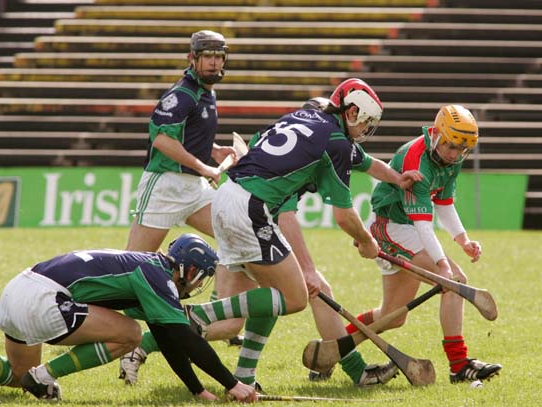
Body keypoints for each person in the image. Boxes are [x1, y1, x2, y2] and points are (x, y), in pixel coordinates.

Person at [188, 78, 423, 388]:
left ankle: (244, 373)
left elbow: (366, 163)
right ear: (350, 112)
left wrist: (397, 179)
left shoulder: (310, 123)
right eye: (365, 121)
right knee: (296, 296)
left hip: (230, 199)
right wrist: (365, 242)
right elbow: (340, 215)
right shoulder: (334, 143)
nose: (367, 128)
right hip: (250, 209)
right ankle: (197, 316)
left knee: (273, 296)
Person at [0, 234, 257, 402]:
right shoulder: (157, 276)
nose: (198, 284)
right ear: (189, 270)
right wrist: (233, 384)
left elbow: (168, 338)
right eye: (199, 277)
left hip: (18, 288)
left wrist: (197, 389)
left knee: (16, 375)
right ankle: (45, 375)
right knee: (130, 334)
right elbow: (184, 337)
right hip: (43, 298)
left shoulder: (149, 267)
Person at [345, 104, 502, 383]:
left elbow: (443, 203)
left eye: (462, 150)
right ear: (438, 134)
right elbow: (422, 223)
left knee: (393, 317)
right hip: (391, 226)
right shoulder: (416, 159)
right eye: (451, 146)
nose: (455, 154)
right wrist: (442, 264)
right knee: (454, 282)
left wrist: (462, 239)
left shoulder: (451, 158)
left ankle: (337, 346)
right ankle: (459, 365)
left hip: (407, 228)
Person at [121, 29, 242, 381]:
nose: (214, 62)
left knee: (233, 233)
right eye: (208, 56)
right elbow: (161, 138)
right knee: (132, 268)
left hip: (194, 187)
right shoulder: (182, 93)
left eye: (219, 56)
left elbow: (192, 138)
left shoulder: (207, 93)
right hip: (165, 186)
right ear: (192, 58)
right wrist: (204, 166)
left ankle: (223, 313)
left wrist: (215, 152)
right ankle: (115, 338)